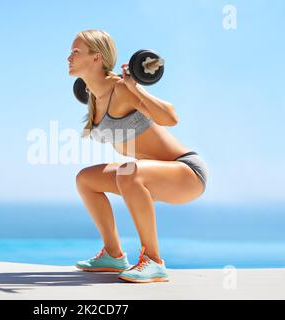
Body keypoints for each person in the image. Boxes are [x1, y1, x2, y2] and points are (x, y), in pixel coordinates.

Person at [68, 29, 209, 283]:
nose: (69, 57)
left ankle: (153, 261)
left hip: (187, 173)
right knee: (85, 180)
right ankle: (113, 254)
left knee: (128, 172)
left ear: (96, 58)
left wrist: (135, 87)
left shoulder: (121, 90)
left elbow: (171, 117)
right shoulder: (94, 97)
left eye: (76, 52)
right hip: (144, 173)